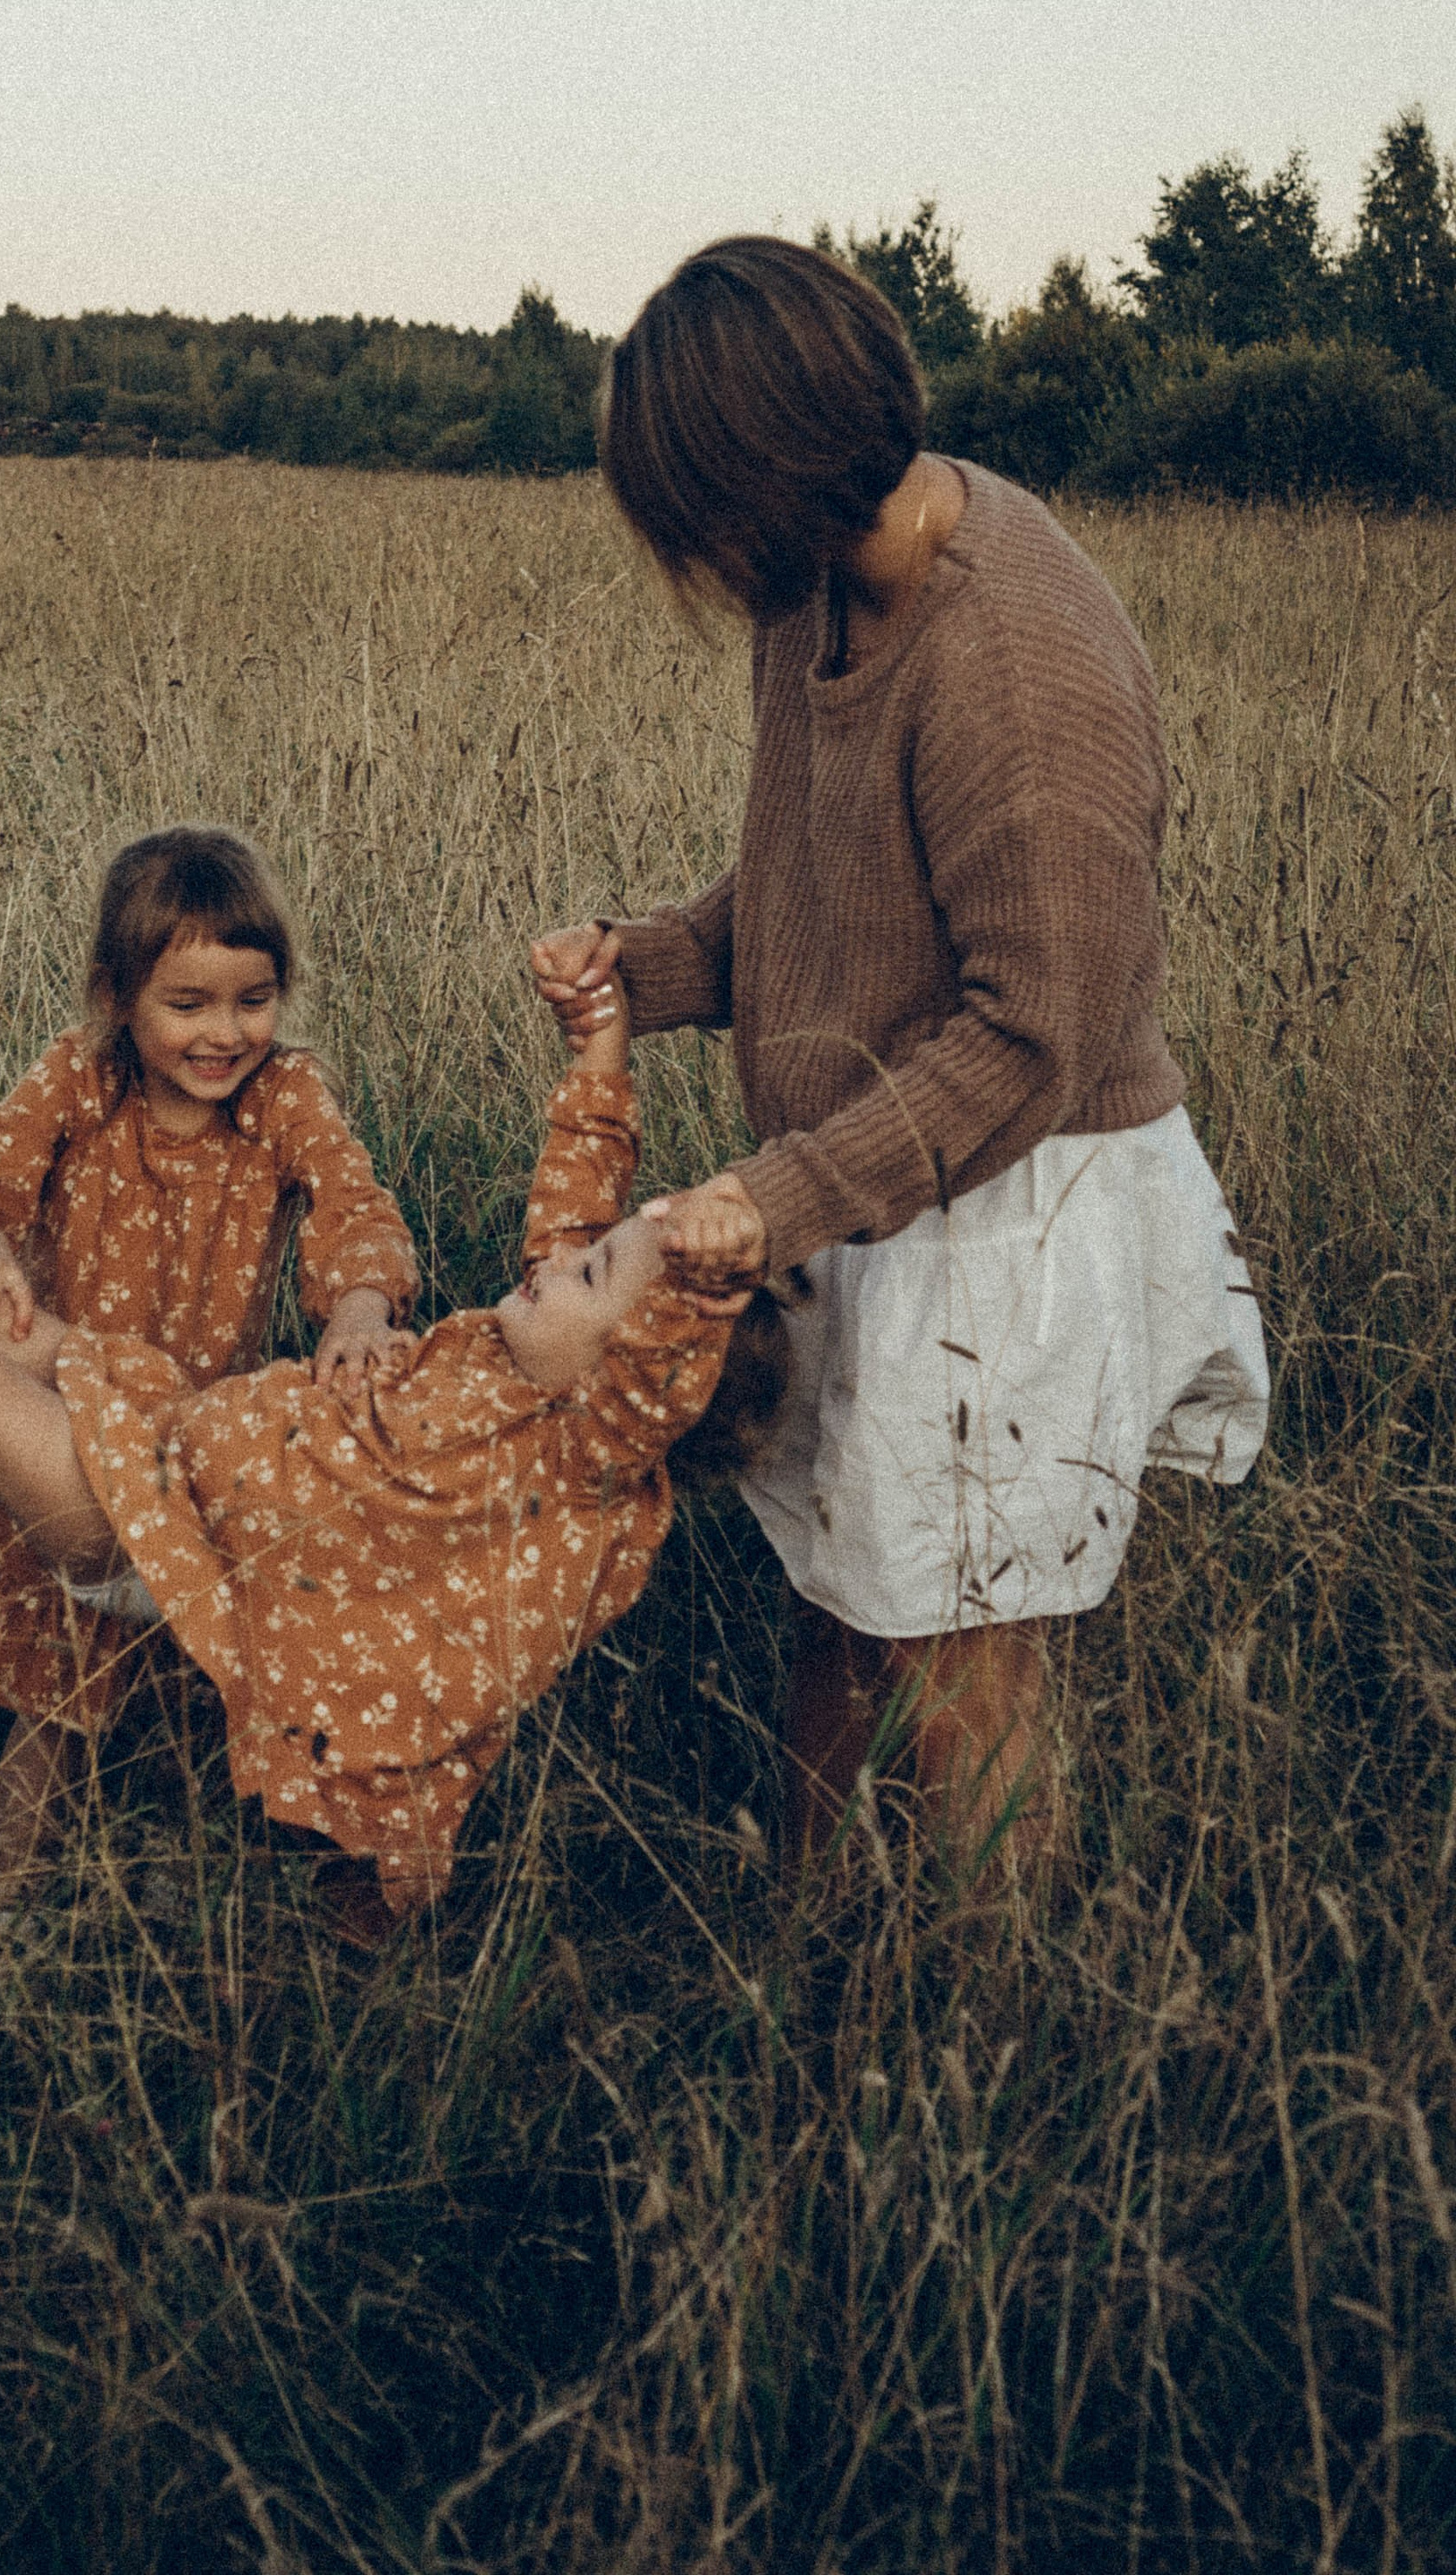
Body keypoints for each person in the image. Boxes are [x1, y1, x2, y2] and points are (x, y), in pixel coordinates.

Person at [531, 236, 1267, 1879]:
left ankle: (995, 2051)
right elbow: (822, 888)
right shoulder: (818, 595)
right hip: (880, 1197)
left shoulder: (1017, 661)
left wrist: (775, 1199)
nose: (692, 566)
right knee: (845, 1608)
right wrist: (645, 964)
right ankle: (814, 1960)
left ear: (763, 483)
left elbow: (1034, 1032)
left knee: (961, 1672)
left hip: (1015, 1216)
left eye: (690, 521)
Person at [0, 976, 780, 1942]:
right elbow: (576, 1195)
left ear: (637, 1378)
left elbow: (658, 1372)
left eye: (589, 1271)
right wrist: (601, 1043)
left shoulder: (577, 1446)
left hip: (159, 1539)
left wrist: (713, 1278)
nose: (556, 1261)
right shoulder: (526, 1347)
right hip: (166, 1429)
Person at [0, 825, 419, 1907]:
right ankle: (9, 1897)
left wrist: (359, 1314)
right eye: (187, 1004)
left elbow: (352, 1209)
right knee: (50, 1671)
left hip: (199, 1435)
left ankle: (180, 1886)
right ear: (117, 997)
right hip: (60, 1419)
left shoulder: (285, 1096)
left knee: (206, 1666)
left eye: (252, 998)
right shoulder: (84, 1084)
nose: (224, 1033)